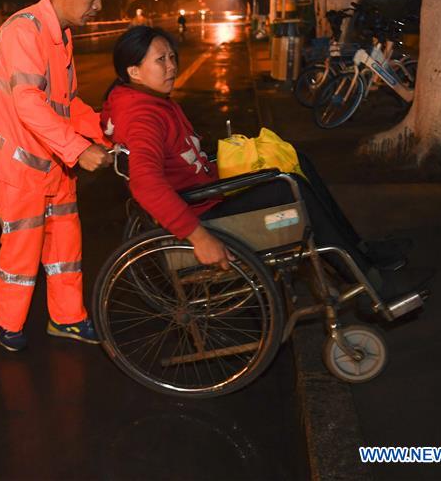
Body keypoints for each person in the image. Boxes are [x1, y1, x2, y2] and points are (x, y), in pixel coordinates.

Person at [100, 26, 416, 297]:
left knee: (296, 160)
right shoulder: (143, 116)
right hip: (202, 212)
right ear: (133, 71)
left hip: (207, 191)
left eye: (171, 57)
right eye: (160, 60)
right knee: (288, 187)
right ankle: (364, 280)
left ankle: (358, 250)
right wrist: (198, 236)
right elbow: (145, 182)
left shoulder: (144, 98)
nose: (171, 66)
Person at [0, 0, 125, 352]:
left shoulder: (59, 35)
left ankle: (67, 318)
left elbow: (67, 103)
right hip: (21, 165)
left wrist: (107, 132)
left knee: (65, 245)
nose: (97, 5)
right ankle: (4, 322)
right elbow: (28, 102)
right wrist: (78, 149)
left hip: (55, 162)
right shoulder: (24, 30)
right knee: (22, 248)